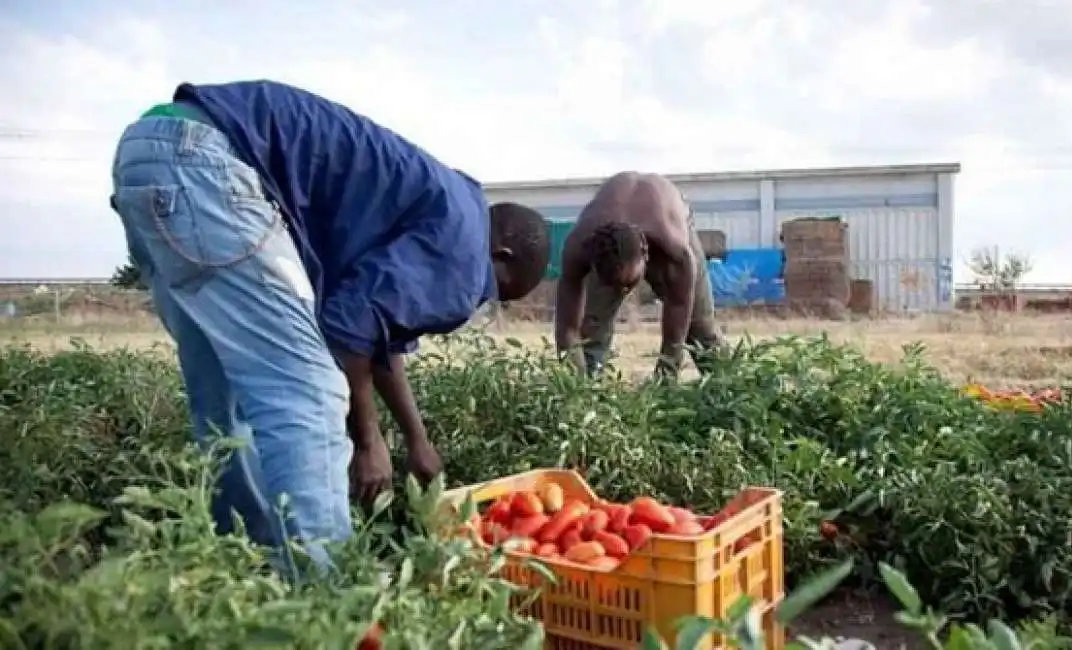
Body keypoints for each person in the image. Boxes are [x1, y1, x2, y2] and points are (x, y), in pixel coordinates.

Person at [109, 80, 550, 573]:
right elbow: (349, 328)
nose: (474, 301)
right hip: (209, 165)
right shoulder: (467, 255)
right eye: (491, 291)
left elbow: (378, 332)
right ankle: (331, 606)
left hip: (152, 150)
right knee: (310, 394)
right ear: (500, 256)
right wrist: (369, 441)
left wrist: (416, 439)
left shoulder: (449, 209)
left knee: (226, 403)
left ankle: (245, 572)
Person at [554, 172, 721, 379]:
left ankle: (727, 390)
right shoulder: (579, 248)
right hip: (608, 230)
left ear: (645, 251)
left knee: (700, 330)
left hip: (667, 213)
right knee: (590, 330)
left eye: (628, 283)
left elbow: (675, 331)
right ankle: (589, 389)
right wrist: (573, 385)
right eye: (613, 284)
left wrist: (664, 381)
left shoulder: (676, 250)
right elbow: (567, 330)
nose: (624, 292)